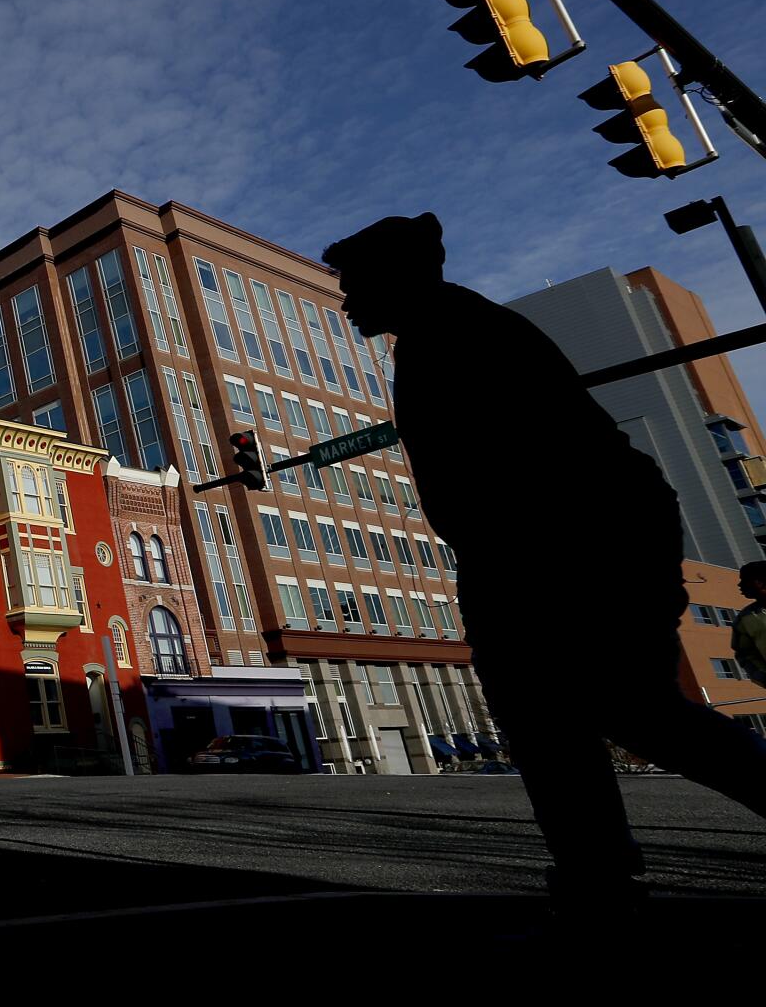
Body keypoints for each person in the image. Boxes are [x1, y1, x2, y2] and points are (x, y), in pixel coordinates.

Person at [323, 212, 766, 911]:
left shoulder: (455, 333)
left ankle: (598, 873)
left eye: (355, 283)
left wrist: (511, 565)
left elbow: (525, 467)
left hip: (571, 540)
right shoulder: (441, 332)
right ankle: (598, 873)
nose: (346, 299)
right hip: (553, 540)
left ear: (396, 277)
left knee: (613, 708)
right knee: (569, 712)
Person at [736, 562, 766, 687]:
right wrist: (761, 676)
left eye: (744, 580)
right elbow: (745, 654)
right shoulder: (745, 618)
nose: (739, 585)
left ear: (759, 582)